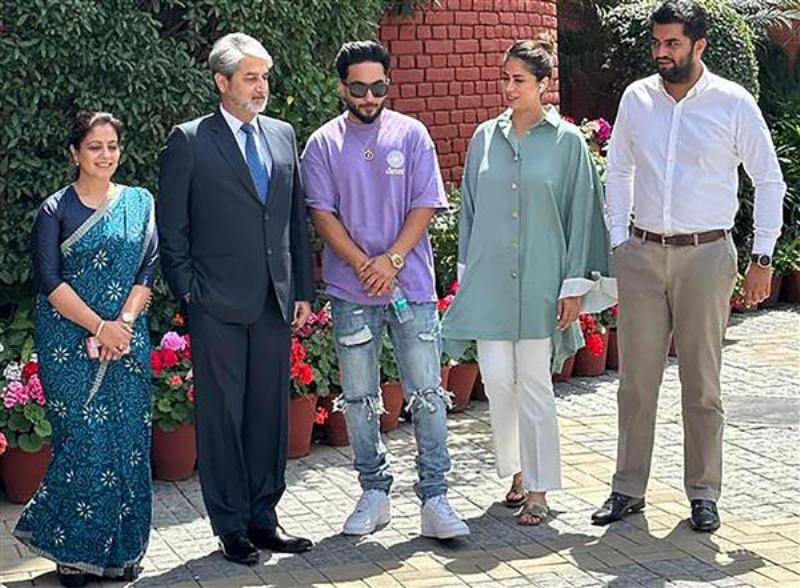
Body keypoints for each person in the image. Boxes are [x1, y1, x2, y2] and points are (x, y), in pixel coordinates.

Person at [592, 0, 785, 532]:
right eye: (657, 42)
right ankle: (628, 488)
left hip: (706, 255)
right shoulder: (637, 98)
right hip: (642, 254)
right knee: (636, 382)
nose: (662, 52)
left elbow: (768, 179)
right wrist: (619, 241)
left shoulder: (732, 102)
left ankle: (704, 492)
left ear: (699, 45)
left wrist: (762, 257)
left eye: (672, 43)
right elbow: (618, 171)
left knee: (702, 382)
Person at [441, 37, 614, 526]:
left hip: (543, 281)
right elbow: (469, 210)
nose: (509, 88)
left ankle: (539, 489)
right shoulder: (484, 138)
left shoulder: (568, 143)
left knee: (535, 383)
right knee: (497, 379)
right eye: (505, 79)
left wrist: (574, 285)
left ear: (543, 84)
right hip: (491, 281)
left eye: (519, 80)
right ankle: (516, 471)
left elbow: (583, 214)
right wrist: (467, 276)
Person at [301, 40, 469, 540]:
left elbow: (425, 203)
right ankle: (374, 492)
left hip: (410, 286)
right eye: (359, 88)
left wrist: (391, 260)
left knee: (428, 393)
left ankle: (435, 497)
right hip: (351, 290)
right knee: (358, 397)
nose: (369, 97)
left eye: (378, 87)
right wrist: (364, 264)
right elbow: (321, 214)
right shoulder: (323, 144)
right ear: (342, 88)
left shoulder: (412, 134)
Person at [157, 32, 314, 564]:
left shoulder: (283, 134)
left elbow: (293, 219)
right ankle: (230, 527)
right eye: (250, 78)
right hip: (216, 304)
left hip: (274, 301)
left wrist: (302, 289)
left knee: (269, 414)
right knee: (222, 417)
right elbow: (172, 229)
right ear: (222, 82)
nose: (261, 87)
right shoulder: (190, 140)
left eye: (264, 77)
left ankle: (264, 519)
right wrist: (189, 292)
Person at [13, 112, 157, 587]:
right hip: (68, 345)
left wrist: (124, 326)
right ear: (75, 152)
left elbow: (148, 268)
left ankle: (122, 552)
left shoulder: (139, 202)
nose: (105, 155)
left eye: (112, 145)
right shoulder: (55, 210)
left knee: (128, 445)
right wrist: (99, 326)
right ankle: (74, 553)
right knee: (84, 443)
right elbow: (50, 280)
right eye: (94, 146)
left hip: (126, 344)